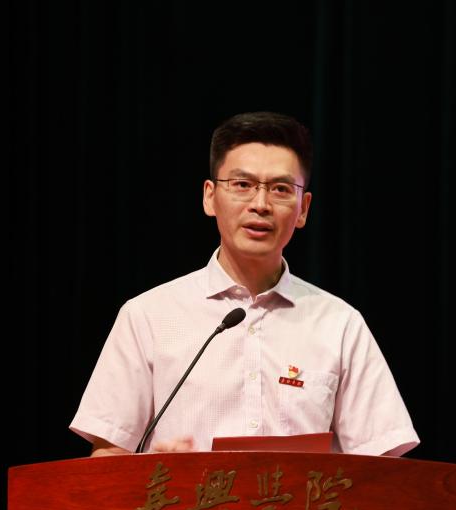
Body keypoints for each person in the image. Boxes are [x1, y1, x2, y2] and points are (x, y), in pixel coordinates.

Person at [69, 112, 419, 457]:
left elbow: (383, 465)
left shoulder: (340, 324)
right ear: (210, 196)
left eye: (280, 189)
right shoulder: (147, 316)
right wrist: (153, 471)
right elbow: (108, 456)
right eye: (242, 185)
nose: (260, 204)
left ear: (303, 209)